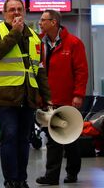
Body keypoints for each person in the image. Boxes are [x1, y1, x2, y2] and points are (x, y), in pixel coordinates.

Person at [0, 0, 50, 188]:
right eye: (11, 9)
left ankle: (22, 178)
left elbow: (39, 69)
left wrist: (47, 97)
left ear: (25, 11)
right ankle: (11, 179)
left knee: (24, 139)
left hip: (28, 96)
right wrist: (15, 33)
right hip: (6, 96)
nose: (16, 13)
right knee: (10, 136)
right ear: (4, 13)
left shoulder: (34, 37)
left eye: (19, 9)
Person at [35, 10, 88, 185]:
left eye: (43, 20)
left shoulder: (73, 43)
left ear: (54, 22)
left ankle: (72, 172)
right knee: (53, 137)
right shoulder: (38, 43)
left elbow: (81, 71)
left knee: (70, 138)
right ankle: (52, 176)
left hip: (67, 99)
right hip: (48, 99)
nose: (40, 23)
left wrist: (78, 94)